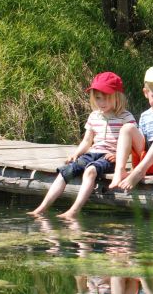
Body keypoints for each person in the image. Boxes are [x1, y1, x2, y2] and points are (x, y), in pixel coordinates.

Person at [28, 72, 136, 218]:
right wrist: (76, 153)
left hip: (109, 157)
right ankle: (41, 208)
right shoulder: (94, 116)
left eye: (106, 98)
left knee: (90, 171)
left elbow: (131, 143)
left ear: (117, 96)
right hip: (92, 152)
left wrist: (118, 156)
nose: (101, 103)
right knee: (65, 172)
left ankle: (74, 211)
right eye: (98, 98)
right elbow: (87, 140)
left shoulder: (125, 116)